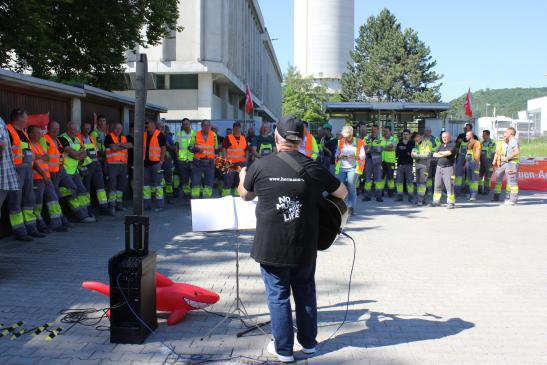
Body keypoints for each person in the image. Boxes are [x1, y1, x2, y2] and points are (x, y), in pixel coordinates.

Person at [237, 116, 347, 363]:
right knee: (305, 291)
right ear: (303, 139)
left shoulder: (260, 165)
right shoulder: (313, 167)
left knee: (278, 295)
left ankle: (284, 350)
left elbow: (245, 194)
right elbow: (342, 192)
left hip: (271, 246)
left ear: (276, 137)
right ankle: (308, 345)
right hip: (305, 243)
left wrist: (241, 177)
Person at [41, 121, 91, 225]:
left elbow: (83, 153)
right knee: (53, 199)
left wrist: (79, 155)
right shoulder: (55, 139)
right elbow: (75, 155)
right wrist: (78, 155)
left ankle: (82, 213)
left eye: (57, 128)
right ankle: (61, 220)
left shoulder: (62, 140)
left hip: (64, 170)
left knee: (73, 188)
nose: (55, 130)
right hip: (54, 172)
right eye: (53, 128)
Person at [5, 109, 44, 241]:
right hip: (15, 171)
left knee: (29, 200)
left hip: (27, 171)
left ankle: (31, 228)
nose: (27, 121)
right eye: (26, 118)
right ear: (19, 118)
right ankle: (20, 232)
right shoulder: (7, 131)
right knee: (15, 201)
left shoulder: (23, 133)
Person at [28, 125, 65, 232]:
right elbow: (34, 162)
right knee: (37, 203)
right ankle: (40, 225)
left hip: (46, 177)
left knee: (53, 200)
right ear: (31, 135)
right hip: (38, 178)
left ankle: (56, 223)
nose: (40, 134)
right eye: (38, 133)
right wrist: (44, 175)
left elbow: (44, 159)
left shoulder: (39, 145)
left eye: (40, 132)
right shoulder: (29, 145)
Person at [59, 122, 97, 221]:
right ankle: (81, 216)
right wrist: (77, 154)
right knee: (72, 194)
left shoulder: (76, 139)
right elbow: (74, 153)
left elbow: (83, 153)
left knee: (83, 191)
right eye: (72, 129)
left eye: (75, 130)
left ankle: (87, 213)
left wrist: (77, 155)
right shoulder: (62, 138)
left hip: (75, 171)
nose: (73, 131)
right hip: (65, 171)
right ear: (68, 128)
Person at [78, 121, 109, 215]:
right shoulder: (78, 138)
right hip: (86, 165)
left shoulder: (91, 138)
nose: (87, 130)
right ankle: (87, 209)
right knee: (86, 188)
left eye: (88, 128)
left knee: (101, 187)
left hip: (96, 164)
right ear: (81, 128)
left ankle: (104, 207)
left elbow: (96, 151)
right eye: (85, 128)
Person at [334, 125, 365, 215]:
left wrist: (353, 157)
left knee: (351, 187)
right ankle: (340, 207)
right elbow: (336, 154)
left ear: (352, 134)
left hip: (353, 168)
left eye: (348, 136)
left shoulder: (359, 142)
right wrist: (339, 156)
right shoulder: (341, 142)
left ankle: (351, 207)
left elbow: (363, 155)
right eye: (345, 136)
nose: (346, 138)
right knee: (339, 188)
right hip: (341, 167)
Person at [104, 122, 132, 214]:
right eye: (116, 128)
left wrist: (118, 145)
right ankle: (112, 206)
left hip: (123, 165)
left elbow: (130, 145)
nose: (118, 130)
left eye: (120, 128)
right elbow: (113, 148)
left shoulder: (124, 137)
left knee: (121, 186)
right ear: (113, 128)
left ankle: (119, 205)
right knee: (112, 186)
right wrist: (123, 145)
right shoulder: (109, 137)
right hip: (112, 165)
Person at [190, 119, 218, 199]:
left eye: (208, 125)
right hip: (198, 162)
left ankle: (206, 200)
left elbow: (215, 148)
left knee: (209, 183)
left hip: (210, 162)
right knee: (196, 182)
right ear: (201, 126)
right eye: (204, 125)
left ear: (210, 126)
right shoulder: (195, 134)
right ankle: (195, 200)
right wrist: (196, 149)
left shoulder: (214, 135)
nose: (206, 127)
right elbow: (190, 147)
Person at [0, 116, 20, 224]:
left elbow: (6, 148)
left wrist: (12, 170)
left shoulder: (1, 121)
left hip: (6, 173)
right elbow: (2, 144)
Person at [492, 127, 520, 205]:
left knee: (513, 182)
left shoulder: (513, 140)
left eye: (506, 132)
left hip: (512, 163)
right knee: (512, 182)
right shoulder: (511, 141)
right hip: (511, 163)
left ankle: (513, 200)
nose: (505, 133)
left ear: (511, 133)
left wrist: (507, 158)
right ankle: (512, 200)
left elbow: (516, 151)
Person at [143, 119, 166, 211]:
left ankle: (160, 206)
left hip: (156, 164)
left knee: (158, 185)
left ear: (153, 124)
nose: (146, 125)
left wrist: (161, 161)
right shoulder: (144, 135)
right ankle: (147, 205)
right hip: (145, 164)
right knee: (146, 186)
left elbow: (163, 148)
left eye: (147, 123)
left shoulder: (159, 134)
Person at [430, 132, 457, 208]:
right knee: (437, 185)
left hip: (448, 167)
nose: (444, 139)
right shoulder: (440, 145)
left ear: (449, 137)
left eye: (446, 137)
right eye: (443, 137)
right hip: (439, 167)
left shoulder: (453, 145)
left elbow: (448, 153)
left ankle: (451, 203)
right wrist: (442, 153)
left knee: (449, 186)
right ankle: (436, 202)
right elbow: (434, 154)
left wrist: (440, 153)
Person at [221, 122, 247, 196]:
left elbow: (246, 149)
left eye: (238, 128)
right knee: (227, 181)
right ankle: (226, 197)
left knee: (239, 181)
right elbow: (224, 149)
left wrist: (246, 159)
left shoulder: (243, 138)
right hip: (229, 163)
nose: (237, 129)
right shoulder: (228, 137)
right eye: (235, 128)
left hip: (241, 163)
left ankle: (238, 197)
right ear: (233, 128)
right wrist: (225, 160)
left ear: (240, 128)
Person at [363, 125, 385, 202]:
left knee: (378, 179)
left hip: (377, 161)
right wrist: (374, 148)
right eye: (372, 129)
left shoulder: (381, 138)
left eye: (375, 129)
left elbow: (381, 149)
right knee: (367, 179)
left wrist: (371, 148)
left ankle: (379, 196)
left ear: (378, 130)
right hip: (368, 160)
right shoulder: (366, 138)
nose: (373, 131)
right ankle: (367, 196)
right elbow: (364, 148)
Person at [175, 118, 195, 200]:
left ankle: (194, 194)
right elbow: (176, 146)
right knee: (184, 179)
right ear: (182, 125)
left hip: (193, 160)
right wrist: (177, 156)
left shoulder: (195, 134)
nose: (186, 125)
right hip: (182, 161)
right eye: (184, 124)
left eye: (187, 124)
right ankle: (187, 194)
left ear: (190, 124)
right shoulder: (179, 134)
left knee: (194, 178)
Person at [411, 133, 432, 206]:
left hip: (425, 166)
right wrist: (416, 155)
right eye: (414, 138)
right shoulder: (416, 145)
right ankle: (423, 200)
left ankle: (420, 200)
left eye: (417, 137)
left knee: (422, 183)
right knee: (419, 183)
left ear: (421, 136)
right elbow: (412, 154)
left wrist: (417, 156)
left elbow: (427, 155)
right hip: (417, 166)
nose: (416, 139)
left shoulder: (426, 144)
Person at [395, 129, 415, 202]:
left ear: (409, 135)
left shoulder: (412, 143)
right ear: (402, 135)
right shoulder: (399, 143)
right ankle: (399, 196)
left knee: (409, 181)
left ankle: (410, 197)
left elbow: (411, 153)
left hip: (409, 164)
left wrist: (404, 152)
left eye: (407, 134)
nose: (405, 135)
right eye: (404, 134)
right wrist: (406, 153)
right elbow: (397, 154)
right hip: (400, 164)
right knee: (399, 181)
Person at [159, 122, 176, 204]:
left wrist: (168, 145)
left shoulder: (168, 137)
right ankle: (158, 198)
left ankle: (169, 197)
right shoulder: (153, 136)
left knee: (169, 180)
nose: (162, 129)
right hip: (156, 161)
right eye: (160, 127)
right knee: (158, 180)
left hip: (167, 162)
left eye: (163, 127)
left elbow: (174, 148)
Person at [424, 127, 441, 194]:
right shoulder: (422, 138)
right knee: (428, 176)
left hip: (435, 159)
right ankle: (429, 190)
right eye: (426, 131)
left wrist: (431, 151)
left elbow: (439, 146)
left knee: (436, 175)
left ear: (431, 131)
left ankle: (436, 190)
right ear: (424, 132)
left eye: (429, 131)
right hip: (426, 160)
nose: (428, 132)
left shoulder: (435, 138)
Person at [465, 130, 482, 201]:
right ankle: (469, 193)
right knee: (469, 179)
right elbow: (468, 153)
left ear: (471, 136)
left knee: (474, 179)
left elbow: (477, 154)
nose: (466, 137)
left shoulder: (477, 142)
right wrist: (466, 163)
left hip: (474, 162)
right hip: (469, 163)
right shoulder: (468, 143)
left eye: (467, 135)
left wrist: (477, 164)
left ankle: (474, 195)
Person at [381, 126, 397, 197]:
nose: (385, 133)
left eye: (386, 131)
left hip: (391, 161)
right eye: (384, 131)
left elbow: (393, 148)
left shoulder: (394, 138)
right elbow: (379, 148)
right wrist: (388, 147)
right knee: (381, 177)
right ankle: (380, 192)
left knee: (390, 177)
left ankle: (391, 192)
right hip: (382, 161)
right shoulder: (381, 139)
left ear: (390, 132)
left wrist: (383, 148)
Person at [479, 130, 496, 195]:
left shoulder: (492, 143)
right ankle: (479, 189)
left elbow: (493, 152)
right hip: (481, 162)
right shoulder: (482, 143)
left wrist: (492, 162)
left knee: (488, 176)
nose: (483, 136)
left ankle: (487, 190)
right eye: (482, 135)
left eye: (484, 135)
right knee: (480, 176)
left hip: (489, 162)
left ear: (488, 135)